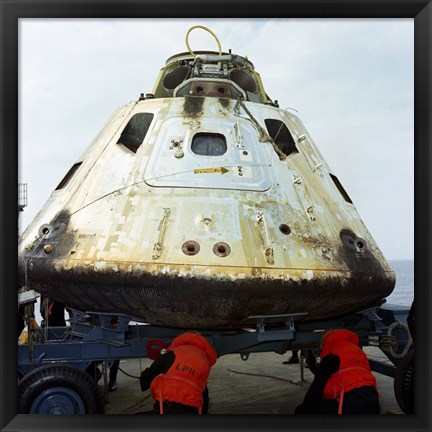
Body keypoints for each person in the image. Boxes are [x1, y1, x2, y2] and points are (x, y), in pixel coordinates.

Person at [295, 329, 380, 414]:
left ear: (322, 345)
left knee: (303, 410)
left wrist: (303, 410)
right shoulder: (359, 352)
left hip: (352, 406)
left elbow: (316, 390)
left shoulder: (332, 356)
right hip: (373, 405)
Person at [139, 331, 218, 414]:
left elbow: (150, 373)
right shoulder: (204, 361)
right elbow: (203, 390)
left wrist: (144, 381)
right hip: (191, 409)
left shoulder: (173, 353)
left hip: (166, 406)